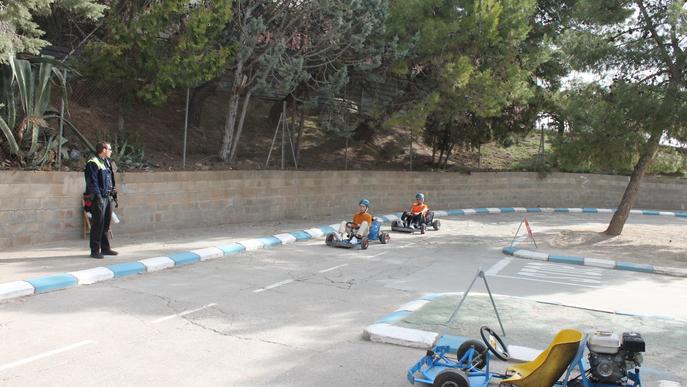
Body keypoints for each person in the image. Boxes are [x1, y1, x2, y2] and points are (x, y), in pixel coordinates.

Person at [85, 142, 118, 259]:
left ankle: (105, 248)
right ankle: (94, 250)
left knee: (106, 223)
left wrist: (114, 194)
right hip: (98, 198)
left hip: (107, 197)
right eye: (110, 149)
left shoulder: (107, 162)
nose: (111, 151)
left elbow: (110, 180)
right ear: (103, 150)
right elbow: (92, 182)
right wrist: (98, 197)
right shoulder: (93, 163)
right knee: (98, 224)